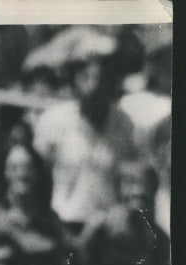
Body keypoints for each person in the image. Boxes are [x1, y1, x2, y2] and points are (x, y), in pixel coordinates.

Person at [32, 28, 135, 234]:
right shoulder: (53, 120)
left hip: (107, 231)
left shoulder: (125, 123)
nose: (94, 82)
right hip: (63, 226)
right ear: (74, 78)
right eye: (85, 73)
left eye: (104, 74)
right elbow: (37, 178)